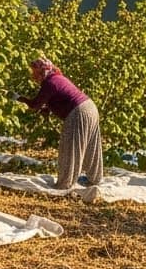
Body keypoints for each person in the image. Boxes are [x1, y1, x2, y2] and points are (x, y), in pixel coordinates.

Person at [17, 58, 104, 190]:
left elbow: (35, 105)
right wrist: (47, 109)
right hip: (90, 107)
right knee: (91, 145)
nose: (33, 76)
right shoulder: (57, 78)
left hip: (78, 112)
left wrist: (19, 98)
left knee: (70, 147)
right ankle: (94, 179)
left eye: (35, 72)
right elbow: (59, 97)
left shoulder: (50, 83)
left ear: (42, 71)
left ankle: (65, 183)